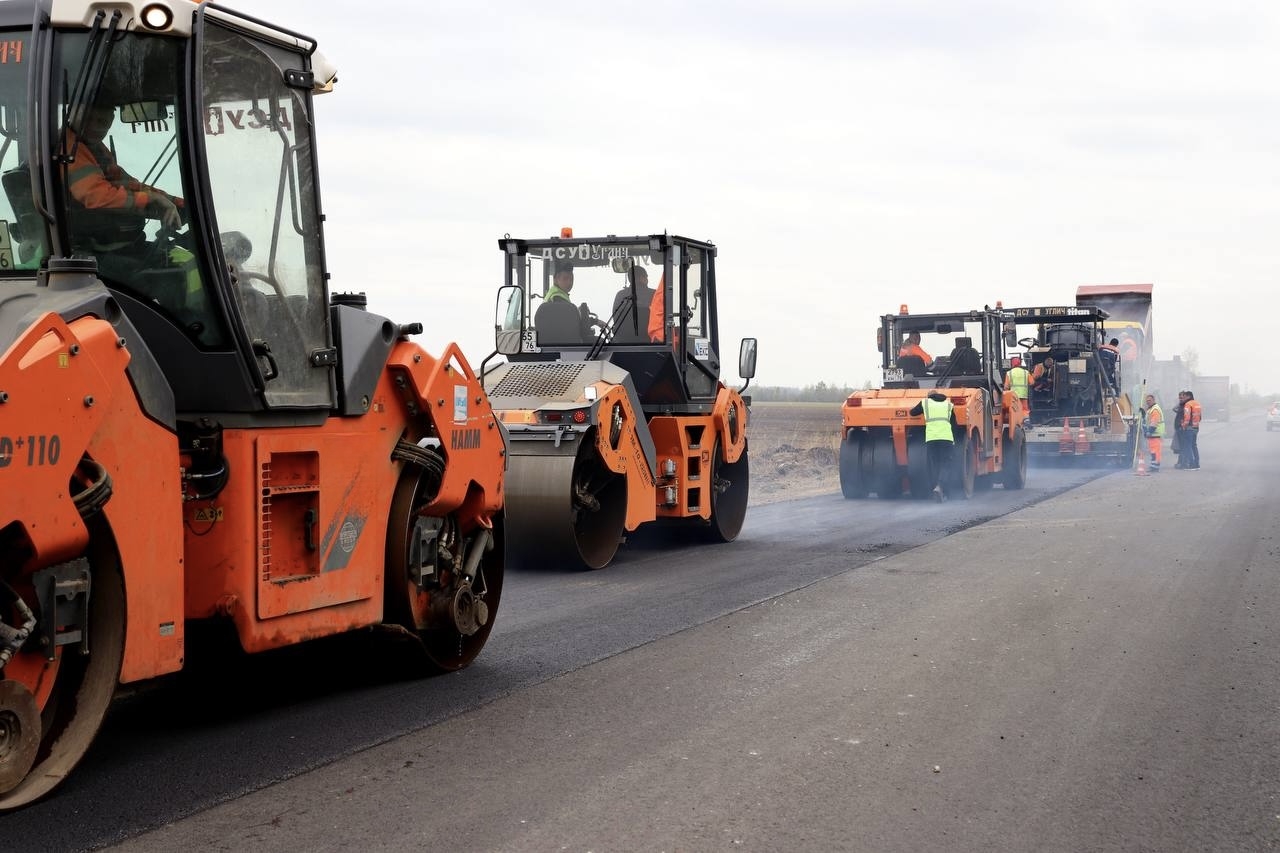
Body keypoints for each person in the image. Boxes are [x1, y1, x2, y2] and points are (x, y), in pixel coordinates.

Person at [909, 389, 956, 501]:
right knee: (946, 464)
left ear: (929, 397)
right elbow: (954, 424)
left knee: (935, 464)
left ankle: (936, 488)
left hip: (932, 439)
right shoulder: (948, 405)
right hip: (946, 438)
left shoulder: (925, 403)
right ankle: (941, 487)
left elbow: (912, 412)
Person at [611, 266, 655, 341]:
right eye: (646, 276)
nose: (647, 279)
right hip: (651, 342)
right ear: (642, 278)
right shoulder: (654, 295)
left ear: (630, 279)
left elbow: (616, 319)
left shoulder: (620, 295)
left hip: (622, 342)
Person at [1143, 393, 1165, 472]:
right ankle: (1153, 466)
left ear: (1153, 400)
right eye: (1147, 401)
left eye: (1149, 400)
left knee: (1155, 451)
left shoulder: (1155, 409)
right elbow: (1148, 421)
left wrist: (1149, 431)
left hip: (1155, 433)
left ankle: (1155, 467)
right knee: (1153, 451)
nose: (1148, 402)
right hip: (1153, 434)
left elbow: (1154, 422)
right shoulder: (1150, 409)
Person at [1181, 390, 1202, 469]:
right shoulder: (1197, 404)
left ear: (1188, 396)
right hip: (1196, 427)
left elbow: (1187, 417)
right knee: (1194, 445)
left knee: (1188, 446)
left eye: (1184, 397)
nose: (1183, 398)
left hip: (1189, 428)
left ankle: (1191, 464)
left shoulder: (1188, 404)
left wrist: (1184, 425)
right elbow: (1200, 417)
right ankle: (1197, 464)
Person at [1171, 391, 1187, 468]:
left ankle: (1183, 463)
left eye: (1182, 397)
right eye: (1179, 398)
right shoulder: (1181, 405)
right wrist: (1180, 403)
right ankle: (1180, 462)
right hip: (1178, 428)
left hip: (1182, 429)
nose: (1180, 399)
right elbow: (1173, 408)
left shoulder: (1186, 406)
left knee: (1183, 447)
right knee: (1180, 447)